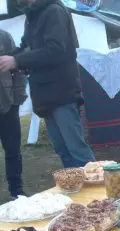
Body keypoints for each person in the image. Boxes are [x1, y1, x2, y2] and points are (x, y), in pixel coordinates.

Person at [0, 0, 95, 168]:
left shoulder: (54, 11)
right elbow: (26, 47)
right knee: (62, 149)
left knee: (77, 151)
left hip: (61, 92)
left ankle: (96, 183)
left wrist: (16, 60)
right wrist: (9, 59)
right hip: (44, 93)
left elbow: (55, 50)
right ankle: (74, 184)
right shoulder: (33, 14)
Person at [0, 30, 27, 199]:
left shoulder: (3, 37)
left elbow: (17, 68)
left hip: (7, 102)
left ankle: (16, 192)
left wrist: (18, 97)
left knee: (13, 150)